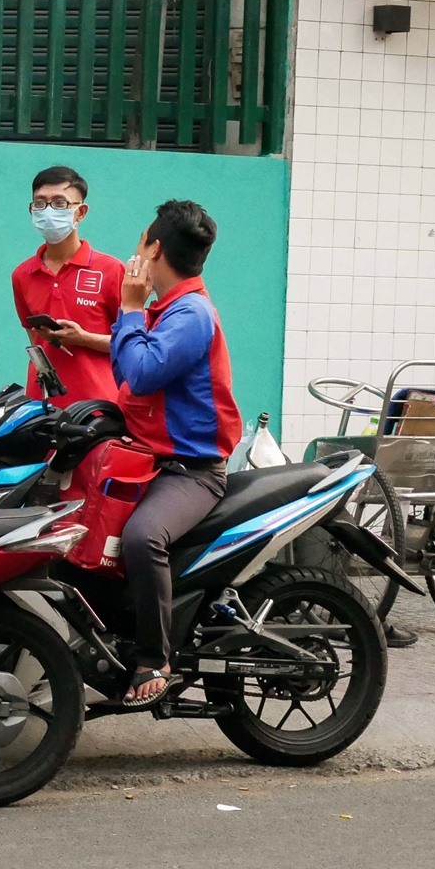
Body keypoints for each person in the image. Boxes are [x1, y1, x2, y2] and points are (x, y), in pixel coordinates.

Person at [111, 200, 241, 707]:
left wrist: (128, 308)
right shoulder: (169, 309)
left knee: (144, 538)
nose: (134, 253)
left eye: (140, 243)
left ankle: (154, 658)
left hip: (191, 472)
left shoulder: (190, 314)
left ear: (155, 250)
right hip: (151, 457)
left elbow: (140, 373)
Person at [11, 165, 125, 406]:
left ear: (80, 212)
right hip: (40, 405)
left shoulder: (111, 270)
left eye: (60, 203)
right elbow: (35, 341)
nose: (48, 211)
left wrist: (83, 338)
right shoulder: (22, 275)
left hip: (98, 408)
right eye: (40, 203)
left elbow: (135, 345)